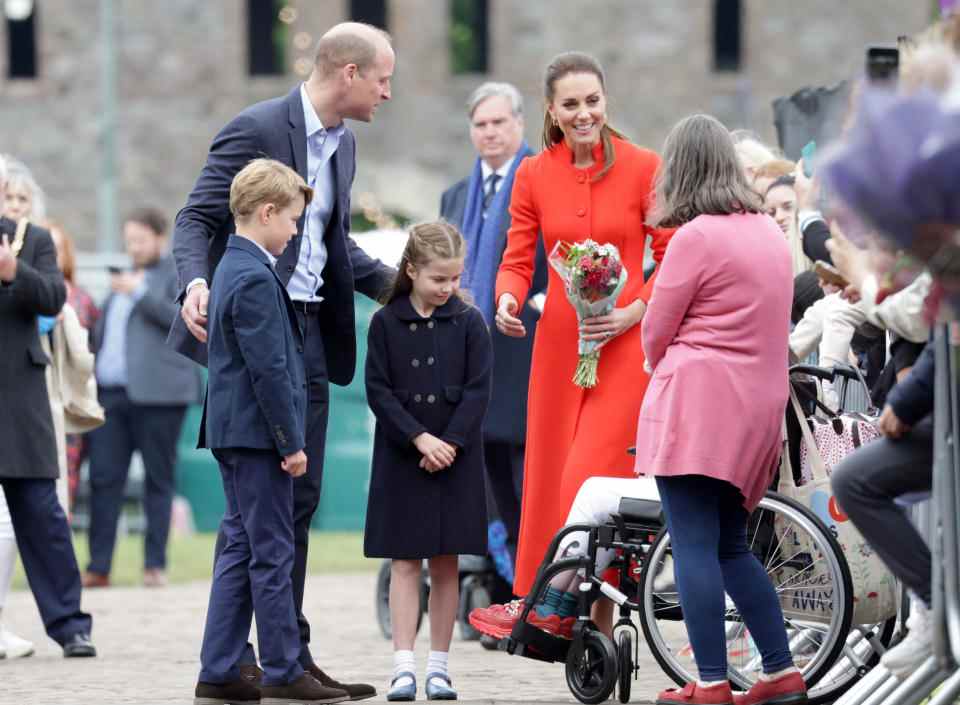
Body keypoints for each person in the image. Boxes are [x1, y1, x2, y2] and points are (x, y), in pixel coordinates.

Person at [170, 21, 394, 696]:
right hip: (257, 328)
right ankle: (263, 662)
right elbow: (195, 218)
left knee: (291, 503)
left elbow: (331, 249)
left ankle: (277, 654)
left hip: (312, 338)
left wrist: (406, 287)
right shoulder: (258, 128)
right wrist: (194, 282)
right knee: (259, 509)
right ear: (348, 73)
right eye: (382, 78)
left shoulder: (346, 147)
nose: (388, 91)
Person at [492, 51, 675, 607]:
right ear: (551, 109)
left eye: (592, 101)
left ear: (605, 100)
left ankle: (586, 599)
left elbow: (669, 255)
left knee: (594, 476)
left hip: (624, 349)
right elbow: (518, 256)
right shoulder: (532, 173)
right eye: (570, 104)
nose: (583, 114)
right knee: (549, 478)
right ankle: (551, 601)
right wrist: (507, 299)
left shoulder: (645, 166)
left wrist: (635, 311)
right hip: (556, 352)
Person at [639, 115, 800, 705]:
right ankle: (781, 672)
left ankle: (709, 684)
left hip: (698, 404)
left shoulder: (696, 236)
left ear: (681, 171)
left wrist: (656, 360)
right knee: (732, 544)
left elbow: (657, 329)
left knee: (693, 546)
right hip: (758, 405)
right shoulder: (767, 231)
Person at [195, 158, 340, 704]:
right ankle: (282, 670)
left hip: (236, 432)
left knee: (238, 547)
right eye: (294, 220)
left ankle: (220, 670)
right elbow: (270, 369)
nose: (297, 230)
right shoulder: (254, 275)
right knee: (272, 551)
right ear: (266, 212)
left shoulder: (233, 267)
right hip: (259, 437)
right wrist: (292, 442)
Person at [364, 221, 492, 701]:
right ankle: (402, 666)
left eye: (455, 279)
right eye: (439, 279)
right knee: (403, 563)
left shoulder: (469, 323)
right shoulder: (384, 323)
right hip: (404, 459)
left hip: (455, 461)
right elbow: (377, 390)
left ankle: (439, 666)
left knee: (445, 564)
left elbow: (479, 390)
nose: (449, 288)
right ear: (412, 270)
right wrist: (419, 439)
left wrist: (451, 443)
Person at [439, 81, 546, 586]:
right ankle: (502, 581)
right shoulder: (456, 194)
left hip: (525, 349)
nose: (489, 133)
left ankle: (538, 579)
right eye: (480, 124)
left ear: (520, 124)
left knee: (530, 474)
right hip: (470, 354)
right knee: (484, 475)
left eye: (499, 122)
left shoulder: (541, 179)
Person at [0, 154, 96, 659]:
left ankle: (70, 625)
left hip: (20, 398)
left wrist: (13, 270)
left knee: (42, 515)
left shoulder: (33, 241)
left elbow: (54, 295)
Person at [84, 207, 202, 589]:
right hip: (111, 397)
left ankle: (155, 565)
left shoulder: (178, 274)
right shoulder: (122, 281)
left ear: (158, 238)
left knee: (158, 480)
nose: (133, 247)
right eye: (129, 240)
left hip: (160, 397)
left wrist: (138, 291)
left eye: (139, 240)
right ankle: (98, 566)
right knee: (104, 479)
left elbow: (180, 319)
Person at [46, 220, 101, 510]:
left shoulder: (82, 300)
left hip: (69, 404)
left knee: (63, 490)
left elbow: (94, 354)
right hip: (27, 403)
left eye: (56, 249)